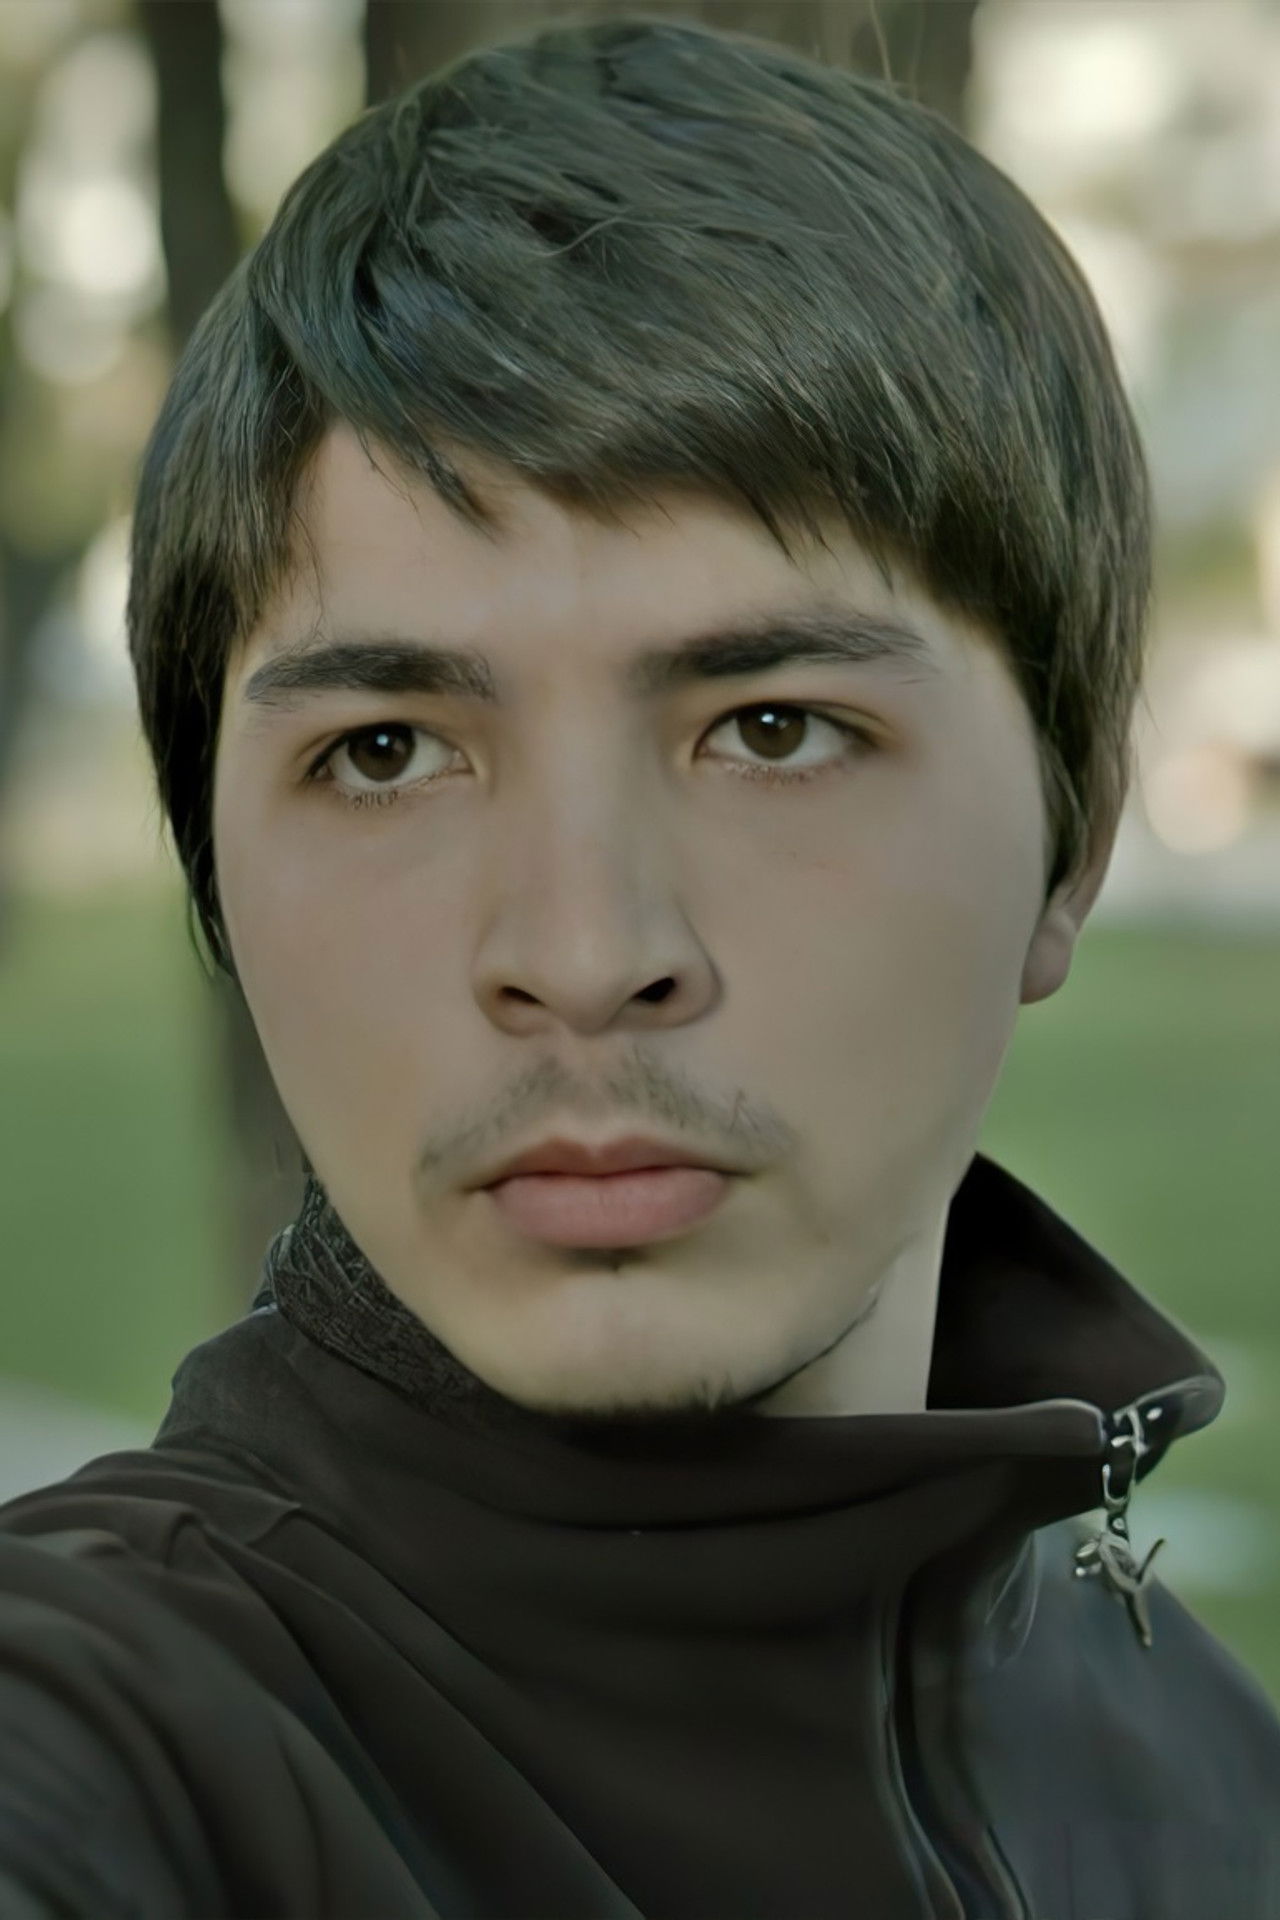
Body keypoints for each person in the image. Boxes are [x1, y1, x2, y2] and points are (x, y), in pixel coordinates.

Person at [2, 12, 1277, 1917]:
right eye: (385, 752)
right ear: (214, 872)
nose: (585, 954)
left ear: (1072, 831)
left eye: (772, 729)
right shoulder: (97, 1759)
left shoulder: (1203, 1769)